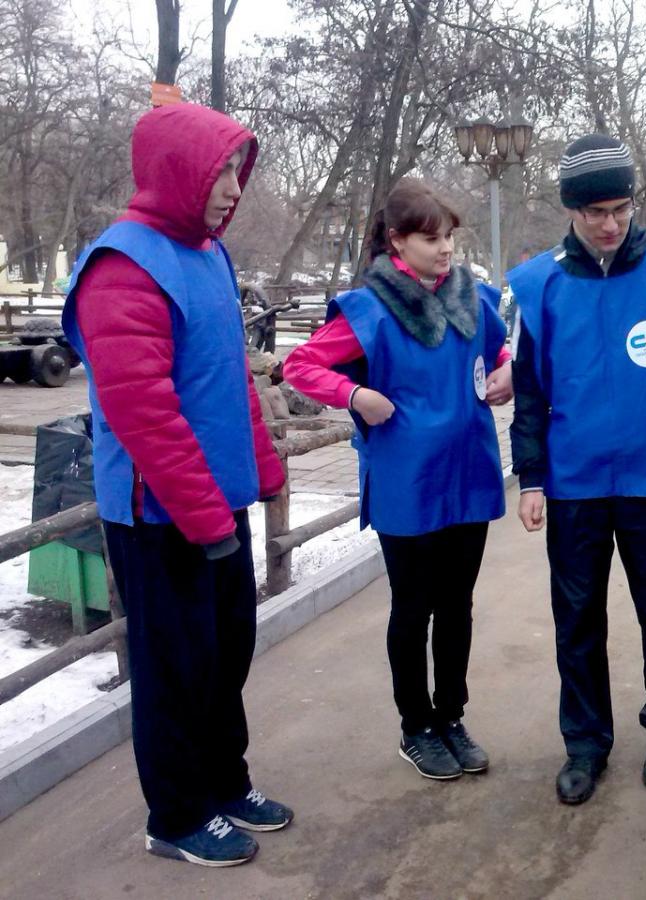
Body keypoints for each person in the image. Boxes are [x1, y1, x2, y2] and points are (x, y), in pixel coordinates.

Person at [62, 102, 292, 867]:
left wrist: (259, 470)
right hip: (158, 515)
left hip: (212, 505)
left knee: (226, 653)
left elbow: (227, 380)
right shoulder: (123, 265)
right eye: (221, 170)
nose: (233, 188)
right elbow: (141, 411)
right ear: (178, 171)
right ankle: (177, 813)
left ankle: (225, 783)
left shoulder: (208, 256)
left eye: (237, 171)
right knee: (174, 666)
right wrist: (204, 516)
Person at [508, 133, 646, 805]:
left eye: (621, 208)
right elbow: (530, 391)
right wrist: (533, 476)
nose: (610, 224)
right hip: (574, 486)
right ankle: (585, 742)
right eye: (595, 211)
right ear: (570, 209)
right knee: (577, 620)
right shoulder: (538, 285)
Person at [283, 179, 511, 781]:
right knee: (414, 608)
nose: (445, 250)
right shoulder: (370, 310)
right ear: (396, 240)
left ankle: (452, 716)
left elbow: (502, 351)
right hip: (407, 480)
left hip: (468, 472)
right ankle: (416, 727)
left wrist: (507, 375)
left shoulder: (473, 298)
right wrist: (355, 393)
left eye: (449, 238)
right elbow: (300, 365)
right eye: (431, 239)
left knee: (457, 606)